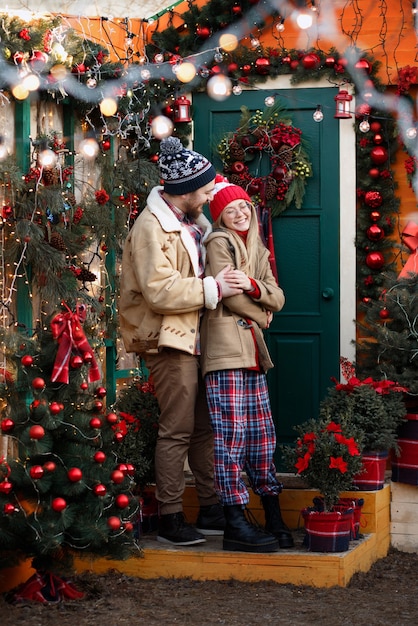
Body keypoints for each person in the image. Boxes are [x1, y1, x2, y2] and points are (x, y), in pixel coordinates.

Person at [119, 138, 242, 546]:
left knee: (204, 427)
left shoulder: (192, 222)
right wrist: (214, 288)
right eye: (206, 190)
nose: (211, 195)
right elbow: (159, 290)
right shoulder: (152, 226)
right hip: (167, 341)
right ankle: (171, 517)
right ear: (185, 190)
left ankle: (209, 506)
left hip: (196, 337)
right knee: (177, 429)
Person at [200, 177, 294, 553]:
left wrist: (255, 287)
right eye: (229, 210)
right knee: (231, 436)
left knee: (261, 436)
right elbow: (228, 295)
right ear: (219, 216)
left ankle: (272, 512)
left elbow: (279, 296)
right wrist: (261, 314)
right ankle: (235, 521)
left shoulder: (255, 247)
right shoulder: (218, 243)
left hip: (253, 354)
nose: (238, 213)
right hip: (225, 351)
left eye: (242, 207)